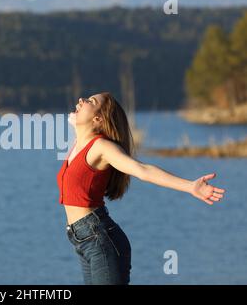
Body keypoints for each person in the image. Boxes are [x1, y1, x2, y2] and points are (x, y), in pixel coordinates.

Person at [56, 92, 226, 285]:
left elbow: (143, 170)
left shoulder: (101, 147)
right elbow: (82, 130)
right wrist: (78, 120)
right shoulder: (80, 144)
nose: (81, 100)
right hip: (83, 239)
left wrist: (190, 186)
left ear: (98, 118)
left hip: (99, 239)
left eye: (90, 101)